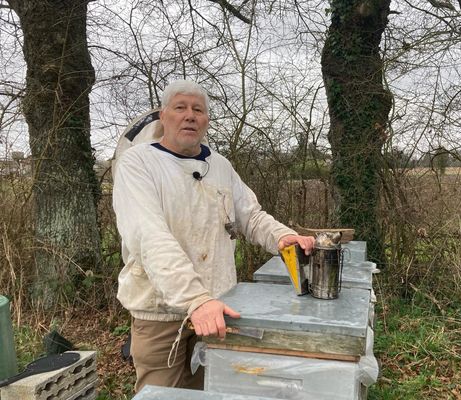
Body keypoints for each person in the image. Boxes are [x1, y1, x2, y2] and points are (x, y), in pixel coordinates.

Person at [112, 80, 315, 392]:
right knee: (160, 392)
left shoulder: (219, 165)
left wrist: (282, 237)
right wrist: (195, 299)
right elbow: (148, 236)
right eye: (180, 107)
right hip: (160, 310)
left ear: (206, 120)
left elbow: (251, 215)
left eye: (198, 110)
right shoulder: (138, 162)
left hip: (217, 306)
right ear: (163, 116)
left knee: (209, 390)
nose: (190, 115)